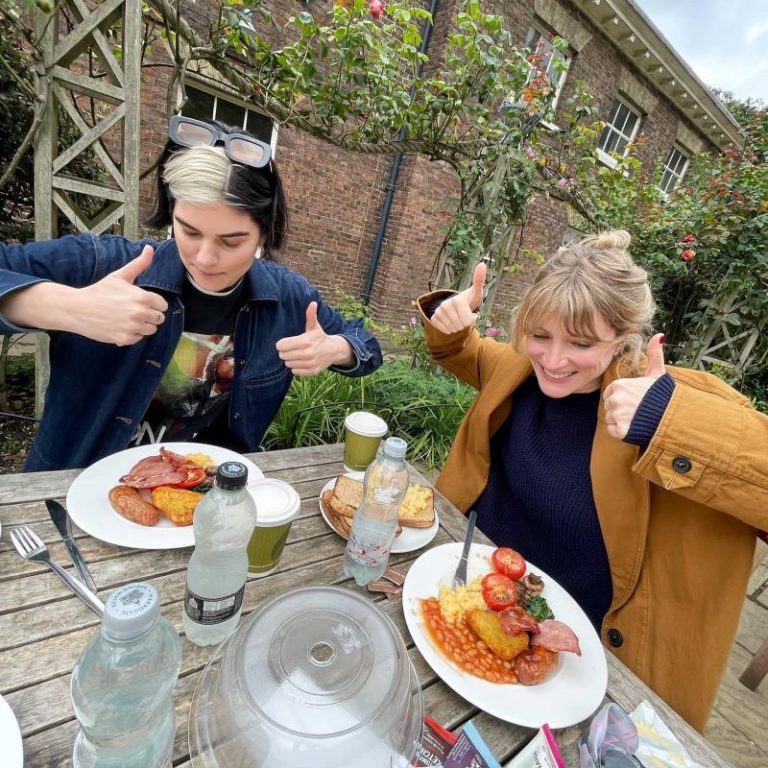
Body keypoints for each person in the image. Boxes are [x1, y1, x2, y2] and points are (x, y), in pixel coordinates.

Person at [417, 230, 768, 732]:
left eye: (581, 343)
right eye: (540, 335)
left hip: (581, 676)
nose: (553, 360)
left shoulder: (672, 402)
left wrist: (668, 421)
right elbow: (473, 355)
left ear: (624, 337)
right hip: (460, 595)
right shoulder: (519, 368)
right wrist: (449, 323)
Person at [0, 115, 382, 470]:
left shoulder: (288, 297)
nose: (205, 258)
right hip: (75, 489)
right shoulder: (105, 264)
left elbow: (366, 345)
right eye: (189, 231)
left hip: (205, 495)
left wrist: (336, 349)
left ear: (264, 235)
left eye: (231, 241)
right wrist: (69, 307)